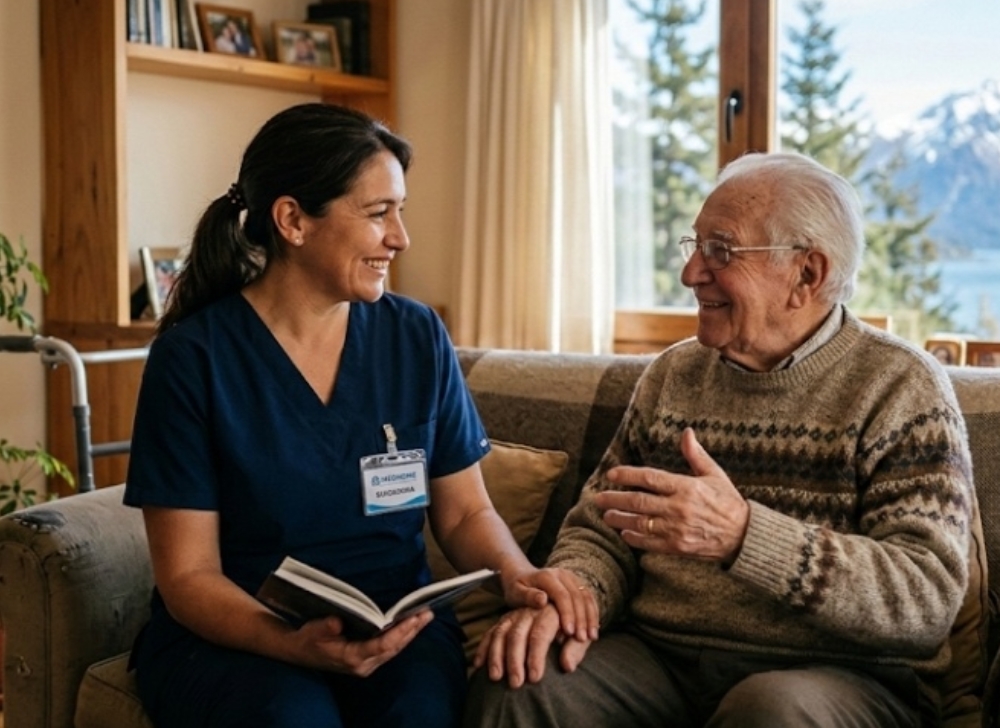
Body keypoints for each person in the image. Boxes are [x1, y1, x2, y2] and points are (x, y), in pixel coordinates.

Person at [123, 103, 596, 728]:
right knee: (293, 717)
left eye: (399, 211)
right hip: (239, 632)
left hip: (398, 626)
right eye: (378, 214)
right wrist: (290, 643)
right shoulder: (193, 360)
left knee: (417, 716)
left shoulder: (416, 336)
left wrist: (518, 574)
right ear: (292, 219)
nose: (400, 237)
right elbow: (188, 576)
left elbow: (464, 510)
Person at [464, 151, 974, 727]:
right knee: (519, 681)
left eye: (722, 252)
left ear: (808, 274)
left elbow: (924, 599)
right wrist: (572, 599)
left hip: (842, 676)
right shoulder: (672, 376)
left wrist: (743, 536)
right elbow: (602, 529)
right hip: (660, 658)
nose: (691, 274)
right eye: (696, 246)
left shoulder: (900, 387)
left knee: (772, 711)